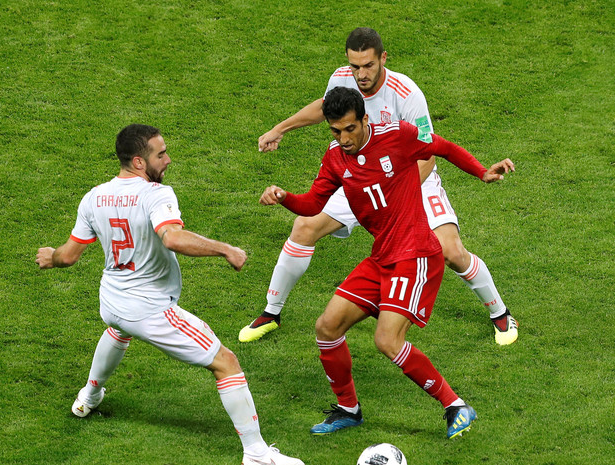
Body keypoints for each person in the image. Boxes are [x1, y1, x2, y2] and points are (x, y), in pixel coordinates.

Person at [35, 124, 302, 465]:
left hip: (112, 300)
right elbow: (172, 237)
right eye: (160, 155)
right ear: (138, 162)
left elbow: (69, 255)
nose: (168, 160)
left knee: (118, 330)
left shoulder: (94, 197)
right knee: (226, 363)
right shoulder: (156, 194)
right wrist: (227, 250)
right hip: (149, 309)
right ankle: (257, 454)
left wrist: (51, 256)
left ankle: (89, 395)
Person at [259, 87, 515, 437]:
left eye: (350, 129)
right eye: (335, 131)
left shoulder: (397, 135)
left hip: (416, 254)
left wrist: (482, 172)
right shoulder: (335, 158)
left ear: (365, 119)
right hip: (382, 257)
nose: (344, 139)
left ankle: (456, 406)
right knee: (327, 327)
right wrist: (284, 197)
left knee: (387, 340)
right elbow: (312, 205)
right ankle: (349, 409)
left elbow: (442, 147)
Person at [242, 27, 518, 346]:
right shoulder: (342, 78)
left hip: (409, 179)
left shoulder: (407, 94)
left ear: (383, 58)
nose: (361, 74)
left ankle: (500, 312)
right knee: (304, 226)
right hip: (360, 178)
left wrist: (394, 196)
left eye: (368, 65)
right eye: (355, 66)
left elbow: (429, 152)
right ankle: (271, 312)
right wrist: (281, 129)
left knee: (451, 251)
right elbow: (325, 107)